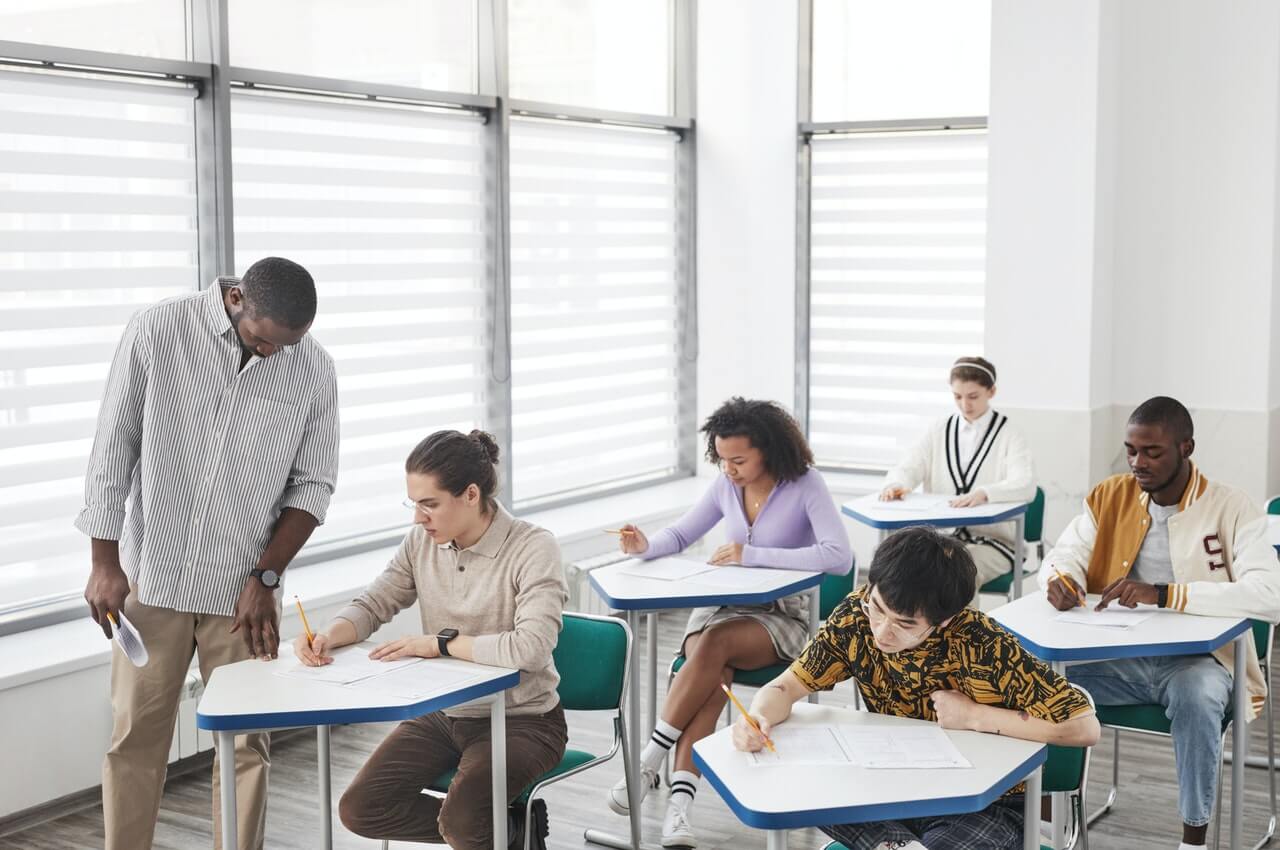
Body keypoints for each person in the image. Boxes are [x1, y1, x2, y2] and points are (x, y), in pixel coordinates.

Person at [78, 257, 339, 850]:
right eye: (261, 340)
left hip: (242, 594)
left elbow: (314, 484)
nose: (273, 354)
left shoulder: (314, 367)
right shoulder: (157, 330)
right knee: (135, 741)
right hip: (153, 582)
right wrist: (103, 561)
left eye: (286, 345)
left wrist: (267, 576)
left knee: (248, 745)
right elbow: (112, 449)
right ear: (238, 298)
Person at [734, 526, 1100, 850]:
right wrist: (758, 717)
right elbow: (785, 687)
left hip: (982, 803)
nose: (882, 631)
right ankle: (898, 844)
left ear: (946, 620)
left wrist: (975, 716)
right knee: (807, 788)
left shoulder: (984, 644)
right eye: (876, 608)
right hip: (894, 790)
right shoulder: (854, 618)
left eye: (905, 623)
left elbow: (1083, 726)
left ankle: (890, 843)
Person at [296, 430, 568, 850]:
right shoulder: (422, 542)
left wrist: (441, 644)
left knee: (462, 823)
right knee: (361, 809)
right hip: (445, 714)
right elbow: (375, 603)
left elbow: (530, 649)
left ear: (471, 494)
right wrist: (330, 635)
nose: (418, 518)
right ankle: (513, 831)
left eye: (430, 504)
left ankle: (483, 829)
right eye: (414, 504)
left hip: (523, 721)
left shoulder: (533, 548)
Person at [606, 397, 852, 849]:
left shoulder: (804, 484)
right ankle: (679, 810)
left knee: (712, 647)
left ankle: (648, 759)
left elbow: (840, 557)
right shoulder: (725, 485)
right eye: (722, 459)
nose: (730, 469)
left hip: (779, 613)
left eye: (739, 459)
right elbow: (681, 534)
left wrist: (751, 554)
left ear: (769, 450)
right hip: (721, 605)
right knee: (713, 671)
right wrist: (644, 544)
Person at [1042, 396, 1280, 850]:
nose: (1138, 463)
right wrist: (1061, 578)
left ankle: (1193, 840)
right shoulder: (1110, 495)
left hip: (1200, 662)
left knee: (1197, 695)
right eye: (1131, 450)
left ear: (1185, 447)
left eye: (1152, 452)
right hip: (1116, 657)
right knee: (1037, 679)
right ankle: (1052, 823)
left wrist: (1167, 593)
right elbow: (1063, 555)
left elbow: (1272, 594)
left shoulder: (1232, 506)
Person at [880, 356, 1036, 595]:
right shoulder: (939, 429)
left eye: (973, 396)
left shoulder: (1010, 433)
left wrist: (985, 493)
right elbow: (911, 464)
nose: (965, 405)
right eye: (957, 396)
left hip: (995, 543)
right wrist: (897, 484)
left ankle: (962, 634)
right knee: (902, 569)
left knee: (959, 572)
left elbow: (1025, 485)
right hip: (940, 541)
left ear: (991, 391)